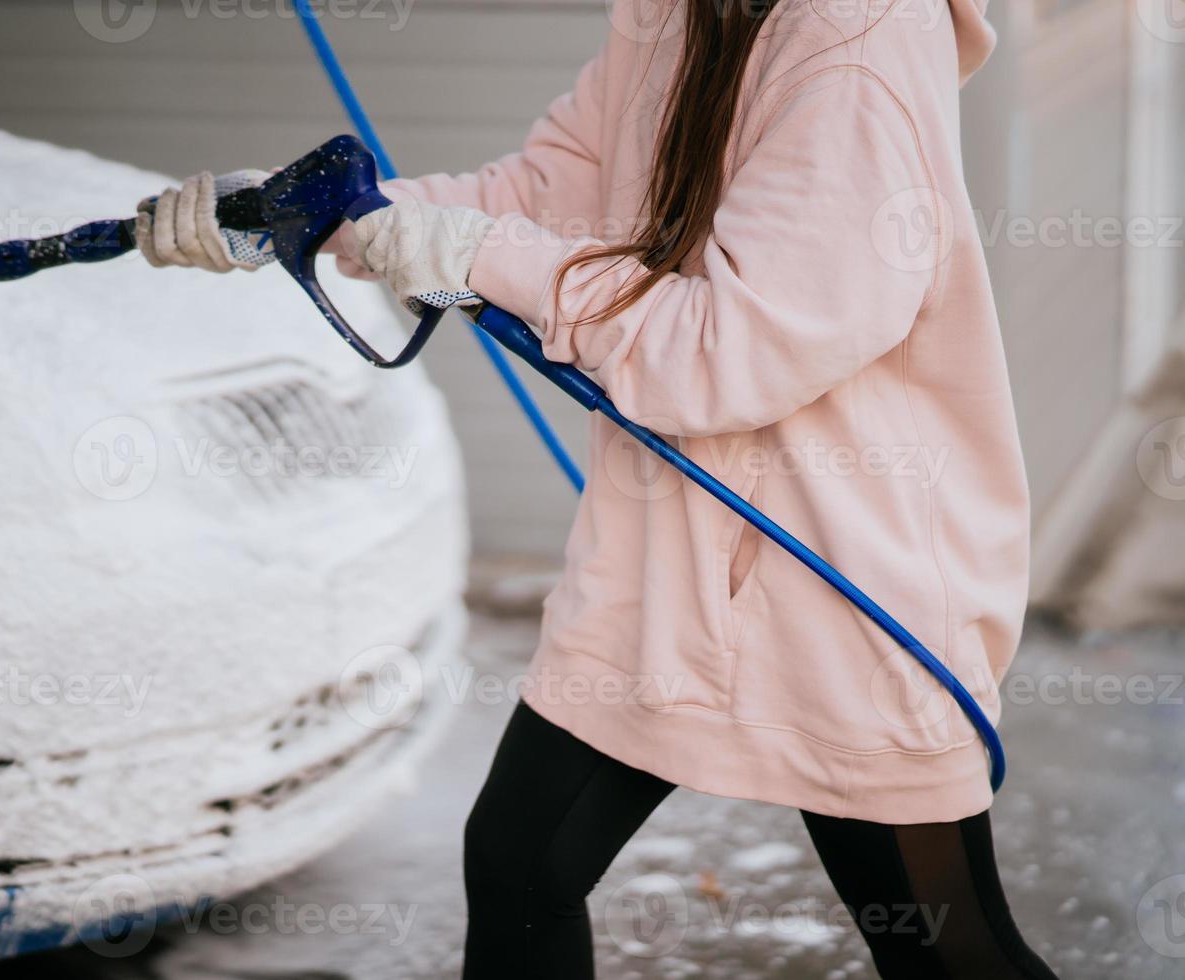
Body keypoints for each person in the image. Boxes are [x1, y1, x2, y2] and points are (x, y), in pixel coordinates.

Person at [137, 1, 1057, 976]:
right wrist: (321, 221)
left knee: (941, 944)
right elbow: (551, 190)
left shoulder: (860, 39)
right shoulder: (681, 12)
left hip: (846, 578)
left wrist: (477, 257)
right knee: (519, 863)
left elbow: (732, 350)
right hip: (671, 566)